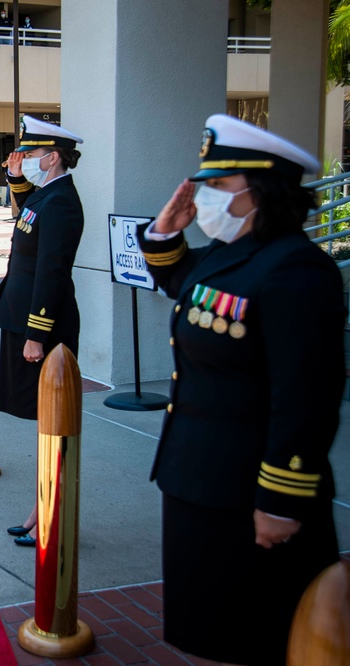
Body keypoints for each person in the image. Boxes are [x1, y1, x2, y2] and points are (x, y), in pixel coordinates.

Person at [139, 114, 342, 666]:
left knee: (257, 632)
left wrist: (281, 499)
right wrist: (164, 232)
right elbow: (188, 286)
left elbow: (306, 400)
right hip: (198, 479)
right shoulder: (232, 254)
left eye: (218, 185)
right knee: (211, 627)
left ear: (260, 191)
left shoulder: (297, 270)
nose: (203, 196)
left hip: (248, 494)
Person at [0, 115, 84, 548]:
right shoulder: (48, 195)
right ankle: (40, 510)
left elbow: (52, 272)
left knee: (54, 425)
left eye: (29, 154)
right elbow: (30, 212)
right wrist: (14, 178)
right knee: (44, 425)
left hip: (42, 329)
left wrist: (36, 334)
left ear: (52, 157)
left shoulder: (62, 202)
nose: (24, 158)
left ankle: (51, 514)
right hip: (24, 321)